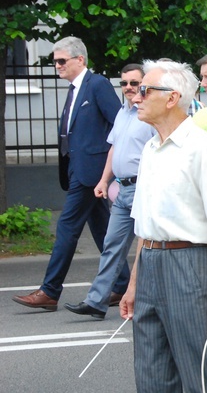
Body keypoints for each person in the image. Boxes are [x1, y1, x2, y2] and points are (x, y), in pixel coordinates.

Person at [119, 60, 207, 393]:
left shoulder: (201, 148)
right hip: (152, 262)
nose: (136, 97)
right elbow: (145, 227)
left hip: (190, 263)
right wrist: (133, 284)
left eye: (145, 90)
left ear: (172, 98)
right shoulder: (150, 149)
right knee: (151, 376)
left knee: (200, 376)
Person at [13, 36, 124, 312]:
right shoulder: (75, 89)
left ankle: (50, 291)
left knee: (66, 227)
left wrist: (105, 170)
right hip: (78, 170)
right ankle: (122, 286)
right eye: (55, 62)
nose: (57, 66)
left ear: (80, 60)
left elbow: (118, 124)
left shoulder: (96, 84)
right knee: (102, 231)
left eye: (62, 61)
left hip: (91, 172)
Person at [64, 63, 155, 320]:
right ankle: (96, 301)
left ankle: (147, 301)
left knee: (148, 246)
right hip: (123, 188)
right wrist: (104, 180)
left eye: (134, 83)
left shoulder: (148, 114)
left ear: (144, 85)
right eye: (124, 83)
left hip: (143, 187)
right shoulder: (123, 113)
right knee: (111, 246)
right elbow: (114, 149)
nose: (128, 88)